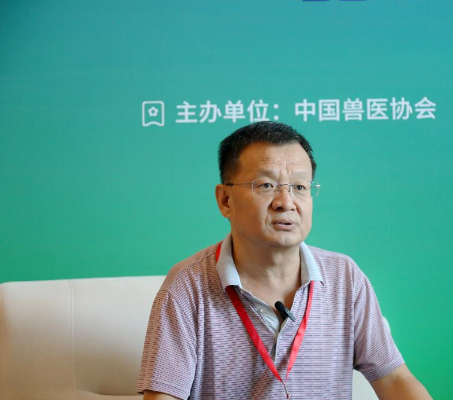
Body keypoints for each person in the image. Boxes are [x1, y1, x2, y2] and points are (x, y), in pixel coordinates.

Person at [137, 121, 431, 400]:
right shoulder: (188, 286)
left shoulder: (345, 277)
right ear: (225, 200)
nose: (286, 202)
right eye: (266, 185)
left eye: (300, 187)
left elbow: (395, 380)